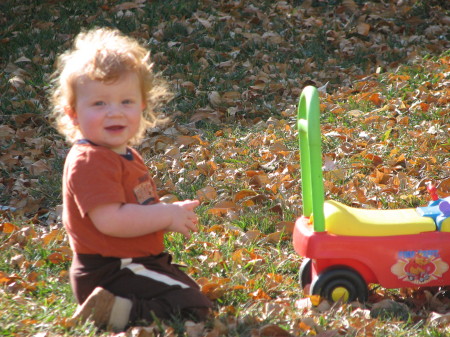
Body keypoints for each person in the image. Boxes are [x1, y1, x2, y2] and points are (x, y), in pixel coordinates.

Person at [49, 27, 212, 332]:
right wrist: (165, 215)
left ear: (142, 106)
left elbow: (133, 204)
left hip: (134, 261)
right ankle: (110, 311)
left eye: (126, 101)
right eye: (99, 103)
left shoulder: (121, 153)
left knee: (193, 292)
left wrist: (165, 211)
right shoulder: (90, 160)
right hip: (111, 270)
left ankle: (124, 305)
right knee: (193, 306)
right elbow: (111, 220)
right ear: (73, 114)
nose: (114, 112)